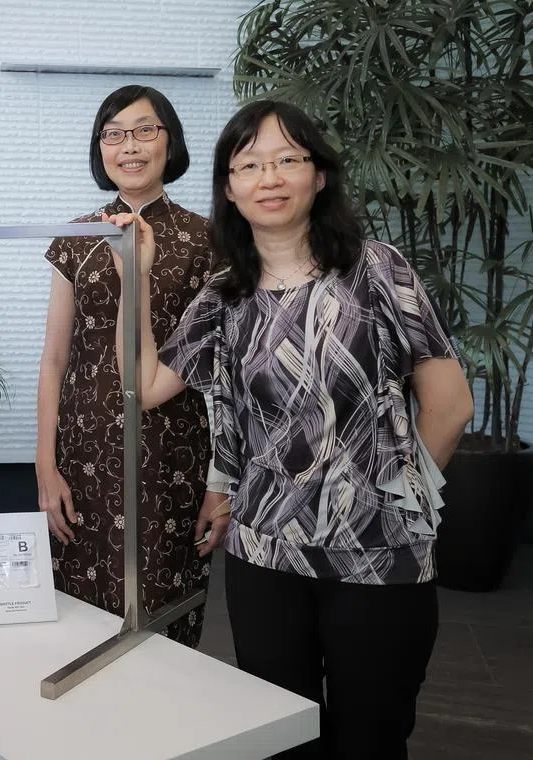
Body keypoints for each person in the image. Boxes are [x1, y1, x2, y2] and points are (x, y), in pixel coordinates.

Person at [108, 100, 474, 758]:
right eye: (248, 164)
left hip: (380, 559)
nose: (268, 178)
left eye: (286, 160)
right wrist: (135, 279)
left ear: (319, 175)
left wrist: (408, 502)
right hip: (265, 558)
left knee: (373, 737)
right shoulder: (224, 296)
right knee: (281, 737)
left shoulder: (379, 271)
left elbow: (449, 406)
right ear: (229, 186)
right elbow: (146, 386)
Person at [36, 84, 229, 646]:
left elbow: (223, 377)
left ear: (170, 142)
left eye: (145, 130)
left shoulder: (208, 240)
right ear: (100, 150)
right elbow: (53, 358)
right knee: (79, 613)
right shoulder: (78, 238)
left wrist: (220, 480)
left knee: (165, 611)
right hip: (84, 450)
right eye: (114, 134)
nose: (129, 146)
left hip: (174, 449)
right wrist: (45, 464)